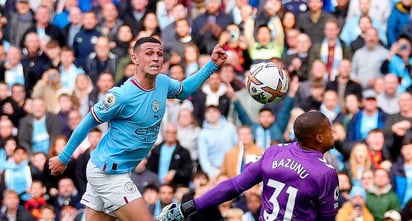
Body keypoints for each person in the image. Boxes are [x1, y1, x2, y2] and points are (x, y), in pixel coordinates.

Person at [48, 37, 228, 221]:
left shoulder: (163, 83)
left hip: (113, 169)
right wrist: (63, 157)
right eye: (149, 53)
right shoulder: (122, 96)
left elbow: (184, 90)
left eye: (159, 54)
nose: (156, 58)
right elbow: (86, 123)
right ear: (135, 59)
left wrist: (212, 65)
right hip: (109, 173)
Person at [158, 111, 339, 221]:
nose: (333, 133)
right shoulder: (325, 172)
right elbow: (327, 218)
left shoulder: (273, 151)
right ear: (319, 138)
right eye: (329, 130)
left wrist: (186, 208)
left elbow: (233, 186)